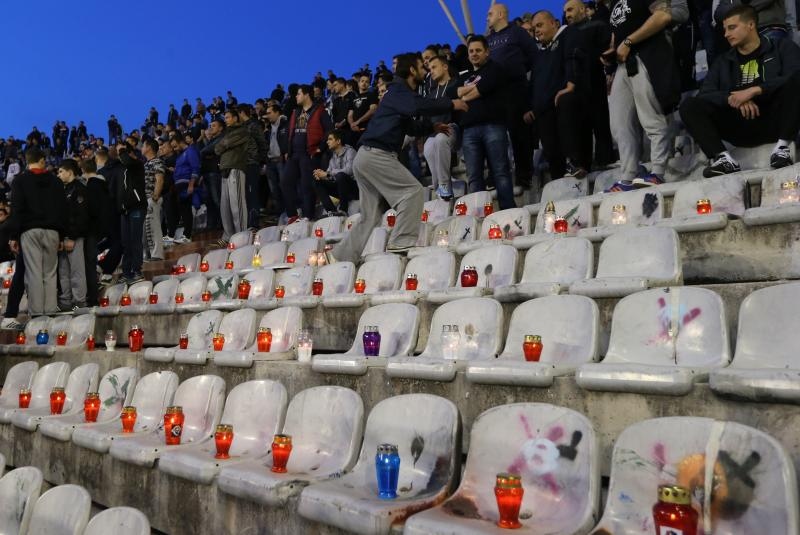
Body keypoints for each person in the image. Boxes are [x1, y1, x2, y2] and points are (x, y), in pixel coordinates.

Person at [330, 53, 467, 263]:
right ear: (411, 70)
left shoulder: (398, 94)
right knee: (412, 192)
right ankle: (400, 241)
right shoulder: (398, 91)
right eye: (422, 67)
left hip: (365, 157)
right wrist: (451, 104)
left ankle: (341, 256)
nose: (425, 70)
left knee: (370, 215)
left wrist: (432, 126)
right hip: (376, 155)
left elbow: (409, 125)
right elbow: (418, 106)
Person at [680, 5, 800, 176]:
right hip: (739, 125)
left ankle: (782, 147)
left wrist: (756, 90)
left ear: (750, 25)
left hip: (775, 121)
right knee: (689, 105)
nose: (726, 34)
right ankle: (722, 158)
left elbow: (794, 75)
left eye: (732, 28)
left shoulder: (781, 47)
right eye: (725, 29)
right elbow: (706, 93)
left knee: (796, 81)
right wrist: (732, 98)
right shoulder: (723, 61)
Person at [607, 0, 681, 185]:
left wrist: (629, 41)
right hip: (624, 64)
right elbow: (621, 32)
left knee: (651, 118)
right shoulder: (614, 3)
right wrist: (612, 51)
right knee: (619, 125)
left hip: (648, 55)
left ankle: (658, 171)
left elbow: (663, 15)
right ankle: (628, 175)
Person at [450, 35, 516, 209]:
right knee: (473, 176)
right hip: (469, 130)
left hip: (493, 125)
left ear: (487, 52)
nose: (474, 54)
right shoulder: (464, 74)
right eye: (471, 51)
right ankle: (477, 214)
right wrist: (473, 89)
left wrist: (465, 94)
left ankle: (507, 210)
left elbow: (482, 88)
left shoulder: (496, 68)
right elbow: (451, 92)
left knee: (500, 171)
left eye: (478, 50)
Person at [527, 11, 591, 179]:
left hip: (564, 102)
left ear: (554, 23)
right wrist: (532, 107)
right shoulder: (539, 54)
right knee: (551, 151)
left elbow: (573, 58)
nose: (537, 31)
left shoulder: (568, 35)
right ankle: (557, 179)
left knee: (566, 105)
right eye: (534, 29)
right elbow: (534, 82)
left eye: (540, 25)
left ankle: (575, 162)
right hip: (543, 110)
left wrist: (570, 84)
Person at [7, 146, 66, 316]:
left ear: (27, 160)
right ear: (42, 160)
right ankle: (49, 314)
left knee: (34, 274)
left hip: (30, 231)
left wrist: (13, 236)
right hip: (53, 231)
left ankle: (37, 316)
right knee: (50, 274)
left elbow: (17, 209)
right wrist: (62, 235)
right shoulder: (56, 181)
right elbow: (62, 210)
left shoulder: (20, 180)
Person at [487, 3, 537, 188]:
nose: (487, 17)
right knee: (495, 136)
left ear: (501, 14)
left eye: (490, 13)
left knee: (519, 136)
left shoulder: (517, 33)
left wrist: (518, 71)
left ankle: (524, 177)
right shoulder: (489, 39)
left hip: (516, 91)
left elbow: (534, 55)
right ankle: (495, 177)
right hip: (495, 95)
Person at [564, 0, 616, 167]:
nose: (567, 14)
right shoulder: (565, 34)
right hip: (574, 89)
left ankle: (606, 161)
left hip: (595, 82)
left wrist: (609, 73)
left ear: (582, 9)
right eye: (565, 12)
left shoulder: (598, 26)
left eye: (570, 10)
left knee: (600, 123)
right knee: (581, 129)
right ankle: (584, 166)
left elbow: (608, 52)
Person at [281, 85, 333, 223]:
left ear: (306, 95)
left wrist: (321, 147)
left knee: (306, 185)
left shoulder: (320, 110)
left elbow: (329, 129)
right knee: (285, 182)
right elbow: (289, 132)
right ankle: (293, 214)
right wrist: (288, 149)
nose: (296, 97)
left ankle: (307, 216)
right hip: (294, 154)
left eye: (298, 94)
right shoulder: (296, 112)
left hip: (308, 154)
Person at [422, 55, 460, 200]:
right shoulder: (431, 94)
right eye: (430, 68)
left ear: (445, 67)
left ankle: (444, 184)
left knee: (439, 139)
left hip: (455, 128)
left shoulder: (456, 84)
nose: (431, 71)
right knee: (428, 146)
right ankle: (440, 188)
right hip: (436, 132)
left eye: (434, 67)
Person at [55, 159, 88, 311]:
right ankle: (66, 301)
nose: (59, 174)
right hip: (62, 238)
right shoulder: (62, 189)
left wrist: (73, 237)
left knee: (76, 271)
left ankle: (79, 302)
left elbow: (81, 217)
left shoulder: (79, 188)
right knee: (63, 273)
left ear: (70, 171)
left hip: (75, 237)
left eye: (61, 171)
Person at [214, 108, 249, 244]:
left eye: (228, 117)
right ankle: (228, 236)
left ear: (235, 118)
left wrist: (223, 144)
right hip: (225, 170)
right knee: (225, 207)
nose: (226, 120)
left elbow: (224, 144)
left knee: (237, 205)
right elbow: (217, 148)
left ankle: (241, 236)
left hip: (236, 168)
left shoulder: (242, 130)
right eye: (225, 118)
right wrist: (222, 144)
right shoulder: (226, 133)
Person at [78, 158, 109, 307]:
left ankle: (91, 298)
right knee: (91, 264)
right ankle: (91, 296)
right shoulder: (104, 184)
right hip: (99, 230)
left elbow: (91, 210)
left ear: (83, 170)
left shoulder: (90, 187)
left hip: (90, 231)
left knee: (88, 265)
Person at [116, 142, 147, 284]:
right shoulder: (121, 169)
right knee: (126, 243)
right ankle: (126, 272)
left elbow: (128, 161)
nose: (119, 155)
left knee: (135, 240)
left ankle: (137, 271)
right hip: (124, 210)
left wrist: (122, 150)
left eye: (121, 153)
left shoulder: (136, 164)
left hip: (136, 207)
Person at [312, 130, 358, 214]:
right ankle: (331, 211)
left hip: (354, 189)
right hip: (341, 189)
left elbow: (349, 171)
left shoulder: (350, 151)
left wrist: (328, 174)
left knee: (341, 176)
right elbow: (329, 175)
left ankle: (343, 210)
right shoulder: (333, 157)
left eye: (330, 139)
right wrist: (321, 174)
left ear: (338, 141)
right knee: (317, 181)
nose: (327, 142)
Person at [238, 104, 268, 229]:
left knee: (252, 194)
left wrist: (260, 161)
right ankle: (248, 223)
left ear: (241, 113)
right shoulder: (241, 127)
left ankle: (254, 223)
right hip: (243, 165)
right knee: (246, 195)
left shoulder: (253, 126)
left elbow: (263, 144)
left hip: (252, 164)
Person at [171, 136, 200, 243]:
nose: (174, 149)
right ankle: (185, 235)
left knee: (186, 210)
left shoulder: (190, 151)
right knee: (183, 210)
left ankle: (187, 236)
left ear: (181, 142)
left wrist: (191, 184)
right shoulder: (179, 155)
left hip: (186, 184)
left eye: (175, 146)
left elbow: (195, 168)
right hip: (178, 186)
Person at [198, 119, 224, 229]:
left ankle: (222, 224)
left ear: (221, 128)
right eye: (210, 125)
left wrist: (205, 153)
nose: (210, 127)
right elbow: (206, 152)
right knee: (209, 201)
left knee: (217, 199)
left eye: (214, 125)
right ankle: (211, 225)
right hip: (207, 173)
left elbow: (206, 151)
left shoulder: (221, 138)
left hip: (214, 172)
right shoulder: (211, 139)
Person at [264, 104, 288, 217]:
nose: (267, 115)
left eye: (269, 113)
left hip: (281, 160)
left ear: (277, 112)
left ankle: (290, 212)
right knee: (274, 190)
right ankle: (281, 213)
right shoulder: (268, 128)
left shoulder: (285, 124)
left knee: (285, 186)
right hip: (270, 162)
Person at [348, 74, 379, 145]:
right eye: (362, 81)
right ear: (358, 83)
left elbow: (372, 111)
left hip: (365, 130)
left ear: (369, 84)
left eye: (367, 82)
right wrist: (352, 124)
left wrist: (358, 122)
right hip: (353, 131)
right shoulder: (353, 98)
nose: (364, 83)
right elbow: (350, 114)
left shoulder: (372, 95)